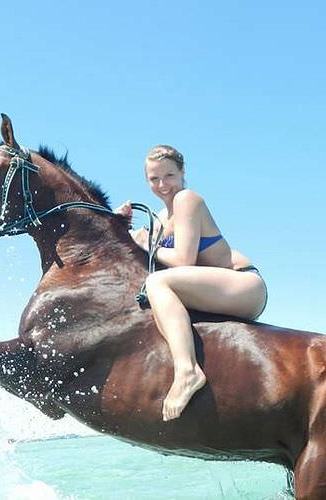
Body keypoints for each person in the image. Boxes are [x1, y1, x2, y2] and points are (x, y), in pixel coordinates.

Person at [115, 145, 268, 421]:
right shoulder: (161, 219)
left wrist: (147, 243)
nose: (163, 185)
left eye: (169, 175)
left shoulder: (188, 199)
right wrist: (121, 229)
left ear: (183, 173)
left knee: (157, 283)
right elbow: (153, 259)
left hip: (243, 284)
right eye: (154, 179)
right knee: (153, 288)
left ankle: (187, 372)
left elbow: (183, 260)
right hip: (214, 291)